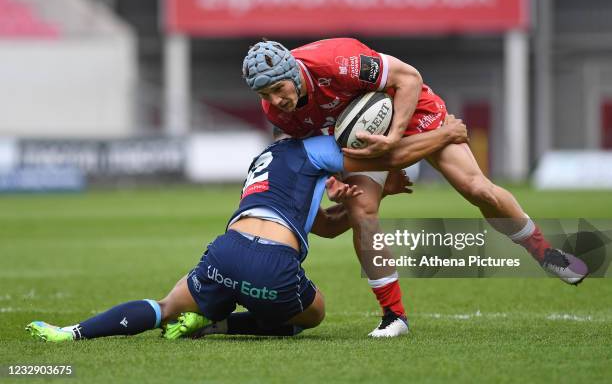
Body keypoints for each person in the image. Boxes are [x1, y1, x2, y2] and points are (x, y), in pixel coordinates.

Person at [242, 38, 589, 337]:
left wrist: (393, 139)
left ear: (292, 72)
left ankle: (545, 253)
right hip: (361, 139)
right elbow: (311, 153)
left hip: (409, 110)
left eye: (278, 88)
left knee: (476, 188)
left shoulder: (336, 60)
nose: (275, 100)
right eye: (265, 94)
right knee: (362, 210)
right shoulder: (277, 114)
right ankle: (394, 316)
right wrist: (336, 183)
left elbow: (409, 78)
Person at [25, 121, 468, 342]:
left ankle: (72, 332)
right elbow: (386, 156)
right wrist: (444, 134)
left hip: (226, 252)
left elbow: (326, 227)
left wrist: (349, 202)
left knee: (164, 306)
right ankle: (219, 326)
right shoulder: (315, 148)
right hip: (272, 265)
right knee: (315, 313)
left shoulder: (265, 162)